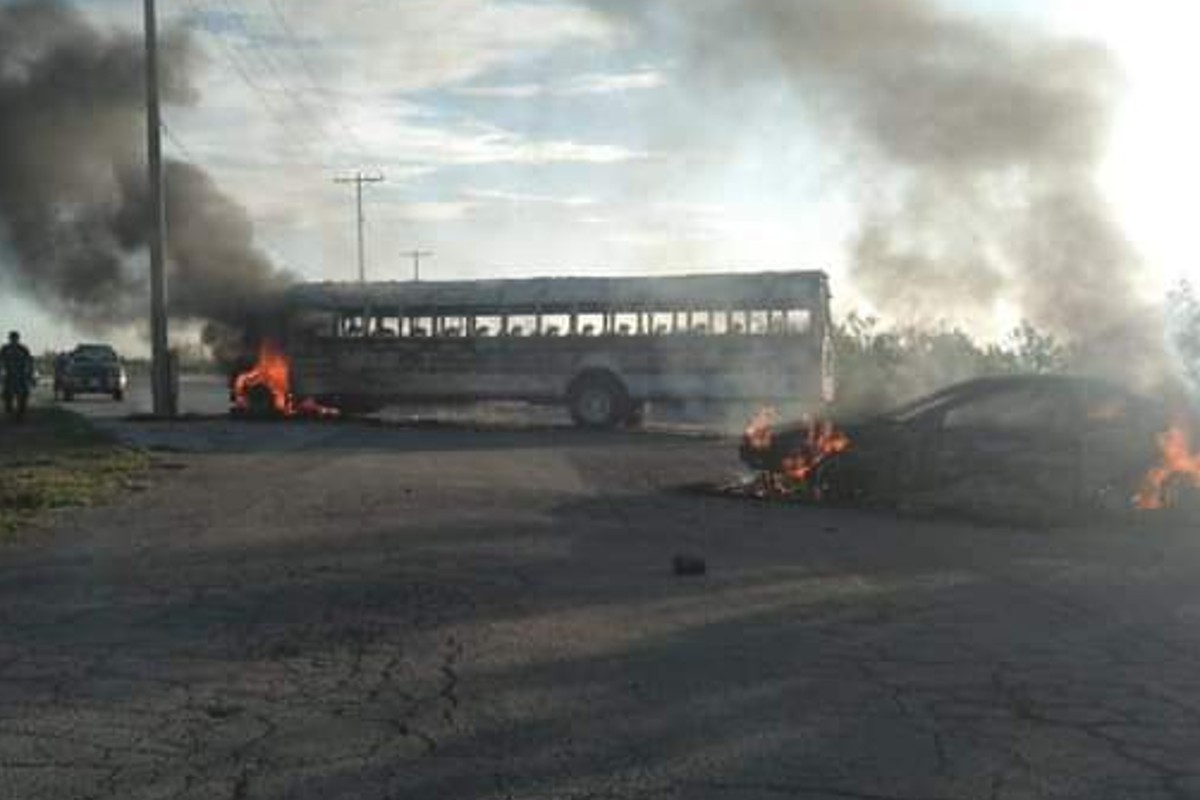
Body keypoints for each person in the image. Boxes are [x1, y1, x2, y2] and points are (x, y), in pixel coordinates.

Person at [1, 330, 34, 422]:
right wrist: (2, 371)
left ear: (18, 339)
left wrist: (29, 373)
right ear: (9, 339)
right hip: (9, 374)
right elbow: (1, 361)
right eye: (12, 338)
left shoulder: (23, 348)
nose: (13, 340)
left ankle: (21, 413)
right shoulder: (5, 348)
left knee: (25, 393)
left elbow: (29, 361)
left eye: (15, 338)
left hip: (21, 375)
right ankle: (8, 407)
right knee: (6, 393)